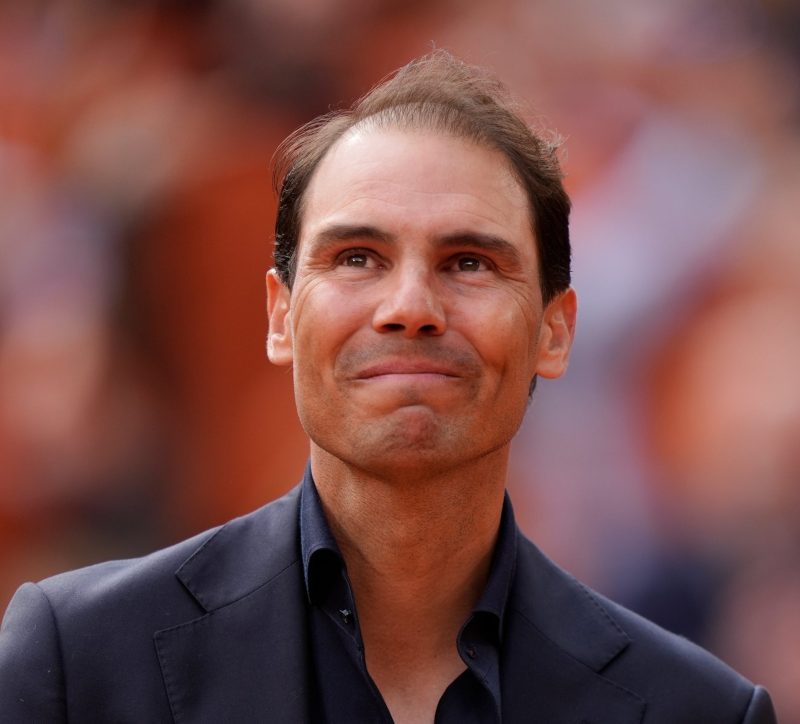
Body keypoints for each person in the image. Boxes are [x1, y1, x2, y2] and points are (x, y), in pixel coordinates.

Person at [0, 51, 776, 724]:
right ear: (280, 317)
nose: (409, 307)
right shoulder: (77, 661)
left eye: (469, 262)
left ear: (554, 331)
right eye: (357, 258)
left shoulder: (698, 711)